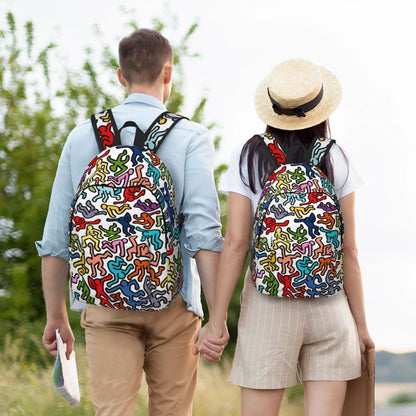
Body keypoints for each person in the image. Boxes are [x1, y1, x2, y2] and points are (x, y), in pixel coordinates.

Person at [36, 28, 228, 416]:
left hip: (105, 304)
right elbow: (204, 235)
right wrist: (217, 317)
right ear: (168, 74)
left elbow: (56, 237)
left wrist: (56, 316)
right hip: (174, 303)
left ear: (121, 76)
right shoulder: (191, 137)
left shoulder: (82, 137)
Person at [194, 58, 375, 416]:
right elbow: (349, 251)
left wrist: (216, 321)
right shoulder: (336, 157)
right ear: (320, 109)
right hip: (330, 306)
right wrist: (361, 327)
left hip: (268, 306)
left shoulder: (250, 156)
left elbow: (236, 244)